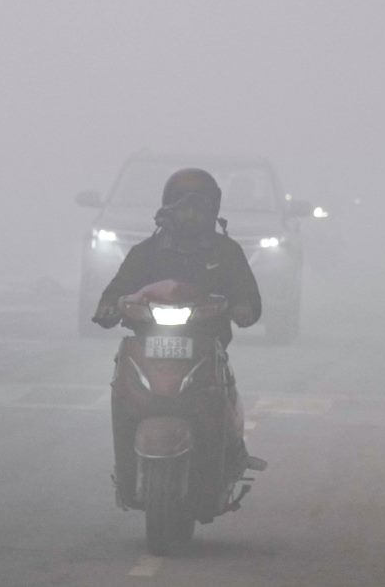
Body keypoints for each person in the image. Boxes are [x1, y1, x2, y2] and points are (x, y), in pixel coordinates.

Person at [92, 168, 264, 469]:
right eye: (182, 204)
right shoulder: (145, 252)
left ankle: (233, 449)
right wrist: (109, 306)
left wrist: (243, 307)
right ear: (168, 207)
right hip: (147, 342)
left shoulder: (227, 252)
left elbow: (247, 294)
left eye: (199, 205)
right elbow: (117, 289)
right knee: (121, 384)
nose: (190, 213)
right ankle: (125, 465)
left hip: (207, 342)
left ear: (212, 209)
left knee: (223, 381)